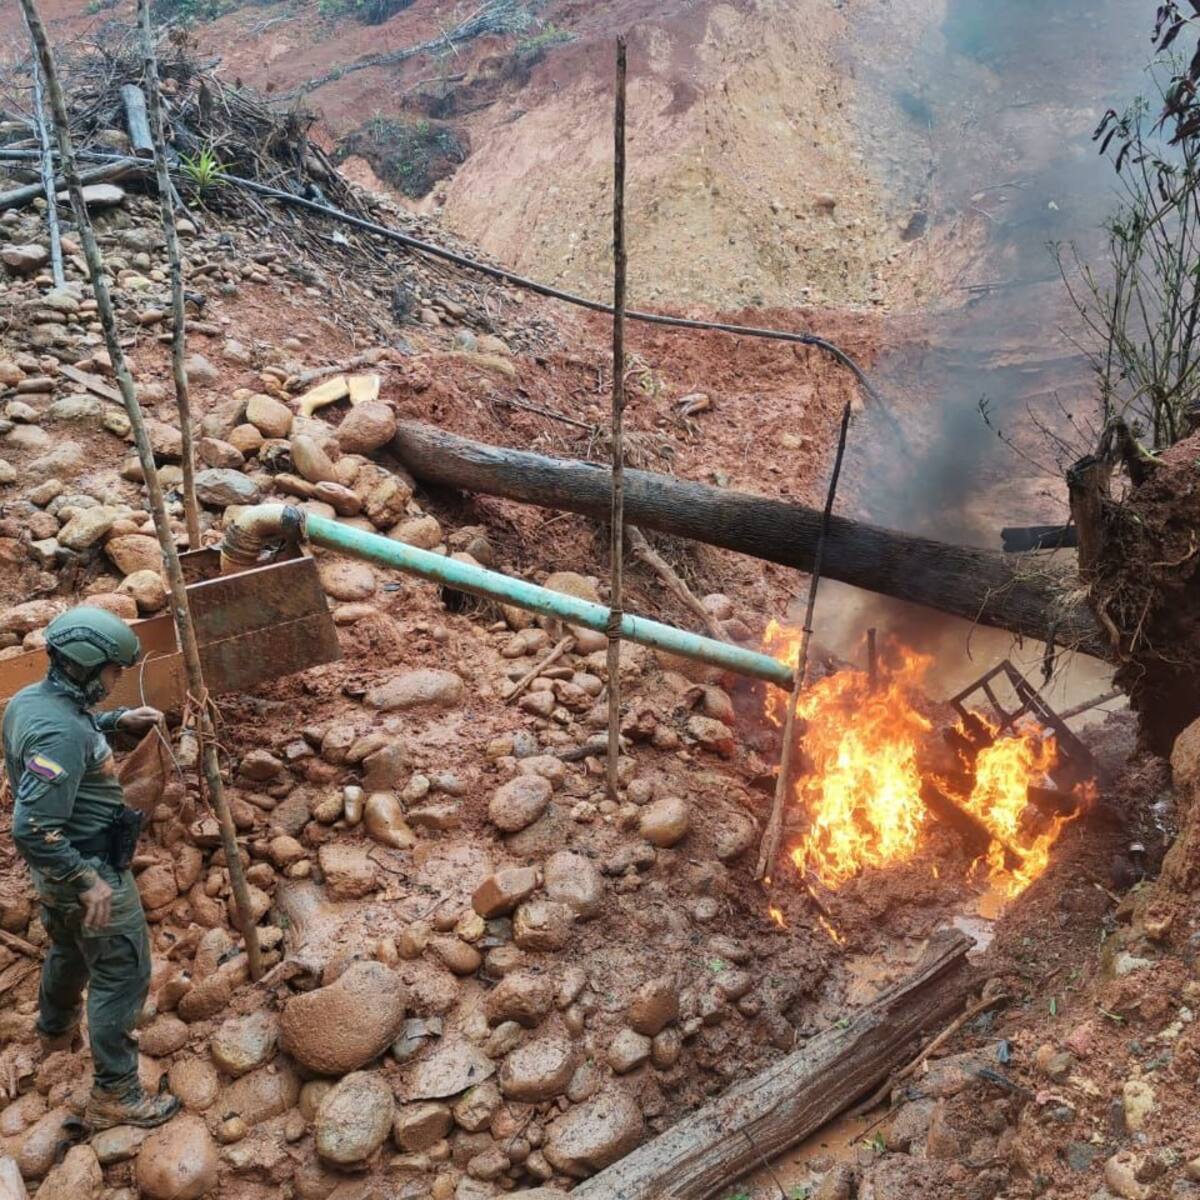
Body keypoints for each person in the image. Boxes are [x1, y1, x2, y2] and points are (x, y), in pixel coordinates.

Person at [2, 606, 180, 1130]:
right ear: (84, 665)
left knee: (68, 949)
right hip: (89, 870)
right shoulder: (61, 737)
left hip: (57, 877)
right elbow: (31, 828)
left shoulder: (30, 702)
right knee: (122, 973)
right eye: (113, 670)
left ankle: (55, 1030)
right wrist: (89, 881)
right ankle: (116, 1094)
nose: (118, 678)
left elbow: (68, 731)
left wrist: (112, 722)